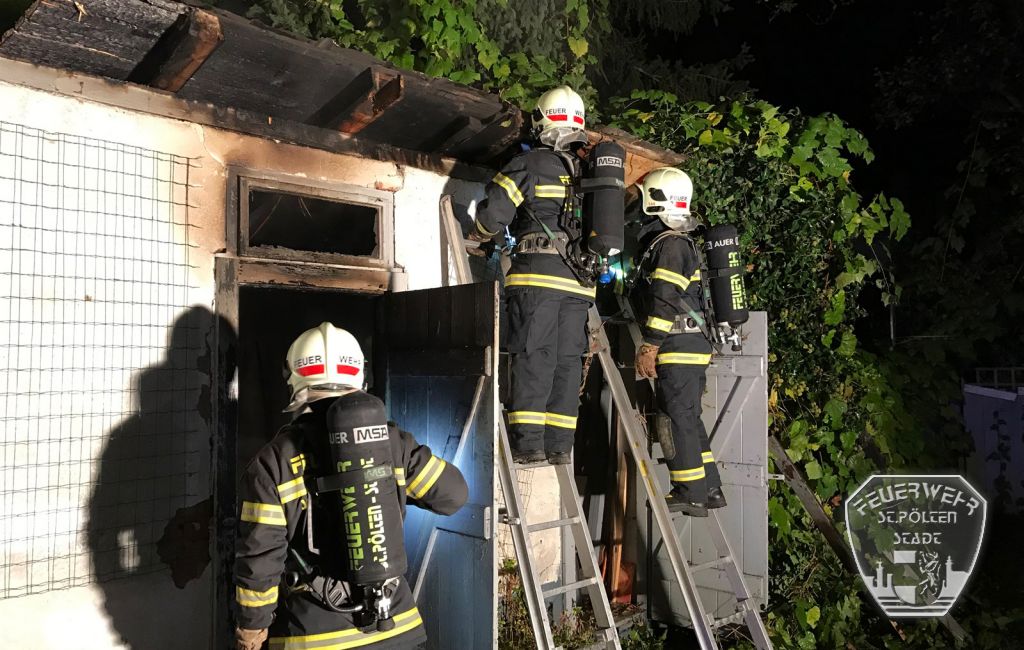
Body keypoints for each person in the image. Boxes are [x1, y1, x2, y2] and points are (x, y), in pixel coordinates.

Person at [233, 323, 468, 650]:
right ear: (359, 374)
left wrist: (251, 630)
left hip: (315, 638)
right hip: (397, 629)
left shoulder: (274, 461)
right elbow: (453, 495)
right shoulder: (391, 442)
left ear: (294, 378)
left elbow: (260, 558)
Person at [467, 85, 594, 465]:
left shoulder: (529, 163)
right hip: (580, 284)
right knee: (567, 362)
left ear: (542, 122)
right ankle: (559, 446)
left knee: (533, 355)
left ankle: (528, 444)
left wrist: (478, 233)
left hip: (538, 278)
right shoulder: (589, 173)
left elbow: (493, 217)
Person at [631, 168, 726, 517]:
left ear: (655, 201)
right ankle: (709, 487)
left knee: (675, 418)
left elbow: (664, 297)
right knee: (689, 417)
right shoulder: (678, 242)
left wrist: (650, 345)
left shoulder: (670, 245)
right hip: (691, 342)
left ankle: (690, 492)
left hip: (678, 342)